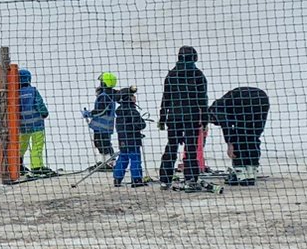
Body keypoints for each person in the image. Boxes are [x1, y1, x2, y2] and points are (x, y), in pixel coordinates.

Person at [157, 46, 210, 187]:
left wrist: (162, 118)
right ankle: (190, 178)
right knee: (191, 148)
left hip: (173, 117)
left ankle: (165, 178)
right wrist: (205, 119)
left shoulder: (172, 75)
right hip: (191, 117)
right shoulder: (198, 75)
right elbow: (202, 100)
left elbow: (165, 98)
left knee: (172, 146)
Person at [207, 85, 271, 185]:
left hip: (244, 101)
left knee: (239, 139)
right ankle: (251, 172)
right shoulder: (224, 103)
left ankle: (241, 173)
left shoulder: (215, 109)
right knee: (253, 136)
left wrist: (229, 144)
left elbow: (226, 125)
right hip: (262, 99)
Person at [83, 72, 127, 168]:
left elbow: (101, 110)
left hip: (101, 125)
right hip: (107, 125)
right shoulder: (111, 94)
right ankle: (104, 162)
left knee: (102, 143)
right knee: (103, 143)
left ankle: (110, 162)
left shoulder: (104, 96)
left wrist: (89, 114)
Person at [16, 67, 53, 177]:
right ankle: (37, 167)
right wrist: (44, 113)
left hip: (22, 125)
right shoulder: (33, 91)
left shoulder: (15, 93)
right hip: (37, 124)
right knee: (37, 145)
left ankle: (18, 164)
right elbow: (39, 104)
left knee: (22, 144)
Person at [112, 88, 148, 187]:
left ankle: (117, 178)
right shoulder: (132, 111)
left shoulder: (119, 112)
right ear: (127, 98)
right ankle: (136, 179)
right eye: (132, 96)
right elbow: (139, 125)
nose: (134, 97)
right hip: (133, 140)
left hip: (122, 140)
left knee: (123, 158)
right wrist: (141, 123)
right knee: (135, 159)